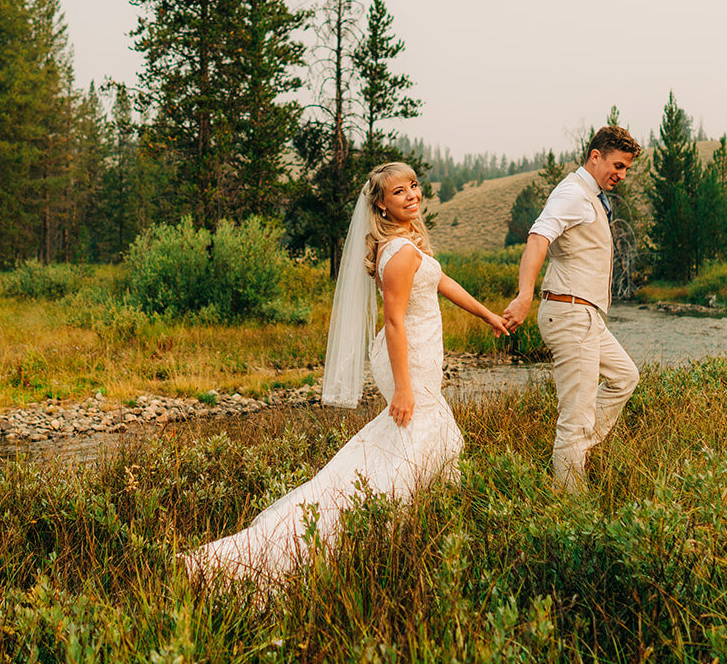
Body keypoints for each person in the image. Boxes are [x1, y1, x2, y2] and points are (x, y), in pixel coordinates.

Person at [181, 162, 510, 581]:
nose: (411, 195)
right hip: (407, 359)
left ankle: (411, 525)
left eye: (414, 186)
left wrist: (488, 317)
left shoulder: (411, 245)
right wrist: (403, 389)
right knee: (418, 436)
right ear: (381, 205)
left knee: (418, 439)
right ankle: (367, 526)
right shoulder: (400, 253)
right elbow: (393, 322)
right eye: (398, 192)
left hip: (421, 355)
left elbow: (444, 282)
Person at [502, 125, 642, 491]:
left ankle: (574, 450)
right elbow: (538, 238)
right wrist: (524, 294)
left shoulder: (590, 196)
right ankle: (570, 505)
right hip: (570, 314)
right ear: (595, 156)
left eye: (626, 168)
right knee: (575, 420)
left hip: (586, 315)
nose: (622, 174)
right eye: (618, 165)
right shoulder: (572, 194)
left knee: (625, 377)